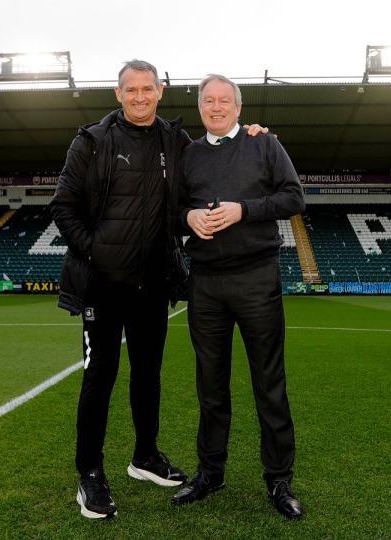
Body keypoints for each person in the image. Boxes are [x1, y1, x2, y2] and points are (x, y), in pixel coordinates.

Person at [50, 60, 267, 520]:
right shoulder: (90, 141)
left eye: (148, 89)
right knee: (100, 377)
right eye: (132, 90)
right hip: (101, 286)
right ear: (118, 93)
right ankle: (90, 472)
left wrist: (250, 134)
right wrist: (95, 253)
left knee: (148, 375)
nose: (141, 97)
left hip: (152, 283)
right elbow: (63, 206)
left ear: (161, 91)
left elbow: (214, 161)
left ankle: (144, 457)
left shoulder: (176, 140)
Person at [171, 74, 305, 519]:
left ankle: (279, 480)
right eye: (207, 100)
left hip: (255, 278)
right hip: (205, 281)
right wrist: (189, 215)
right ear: (200, 107)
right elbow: (170, 211)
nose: (215, 107)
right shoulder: (188, 154)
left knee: (269, 383)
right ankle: (211, 473)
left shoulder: (263, 144)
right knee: (210, 386)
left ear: (238, 107)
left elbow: (293, 198)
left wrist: (244, 209)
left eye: (223, 100)